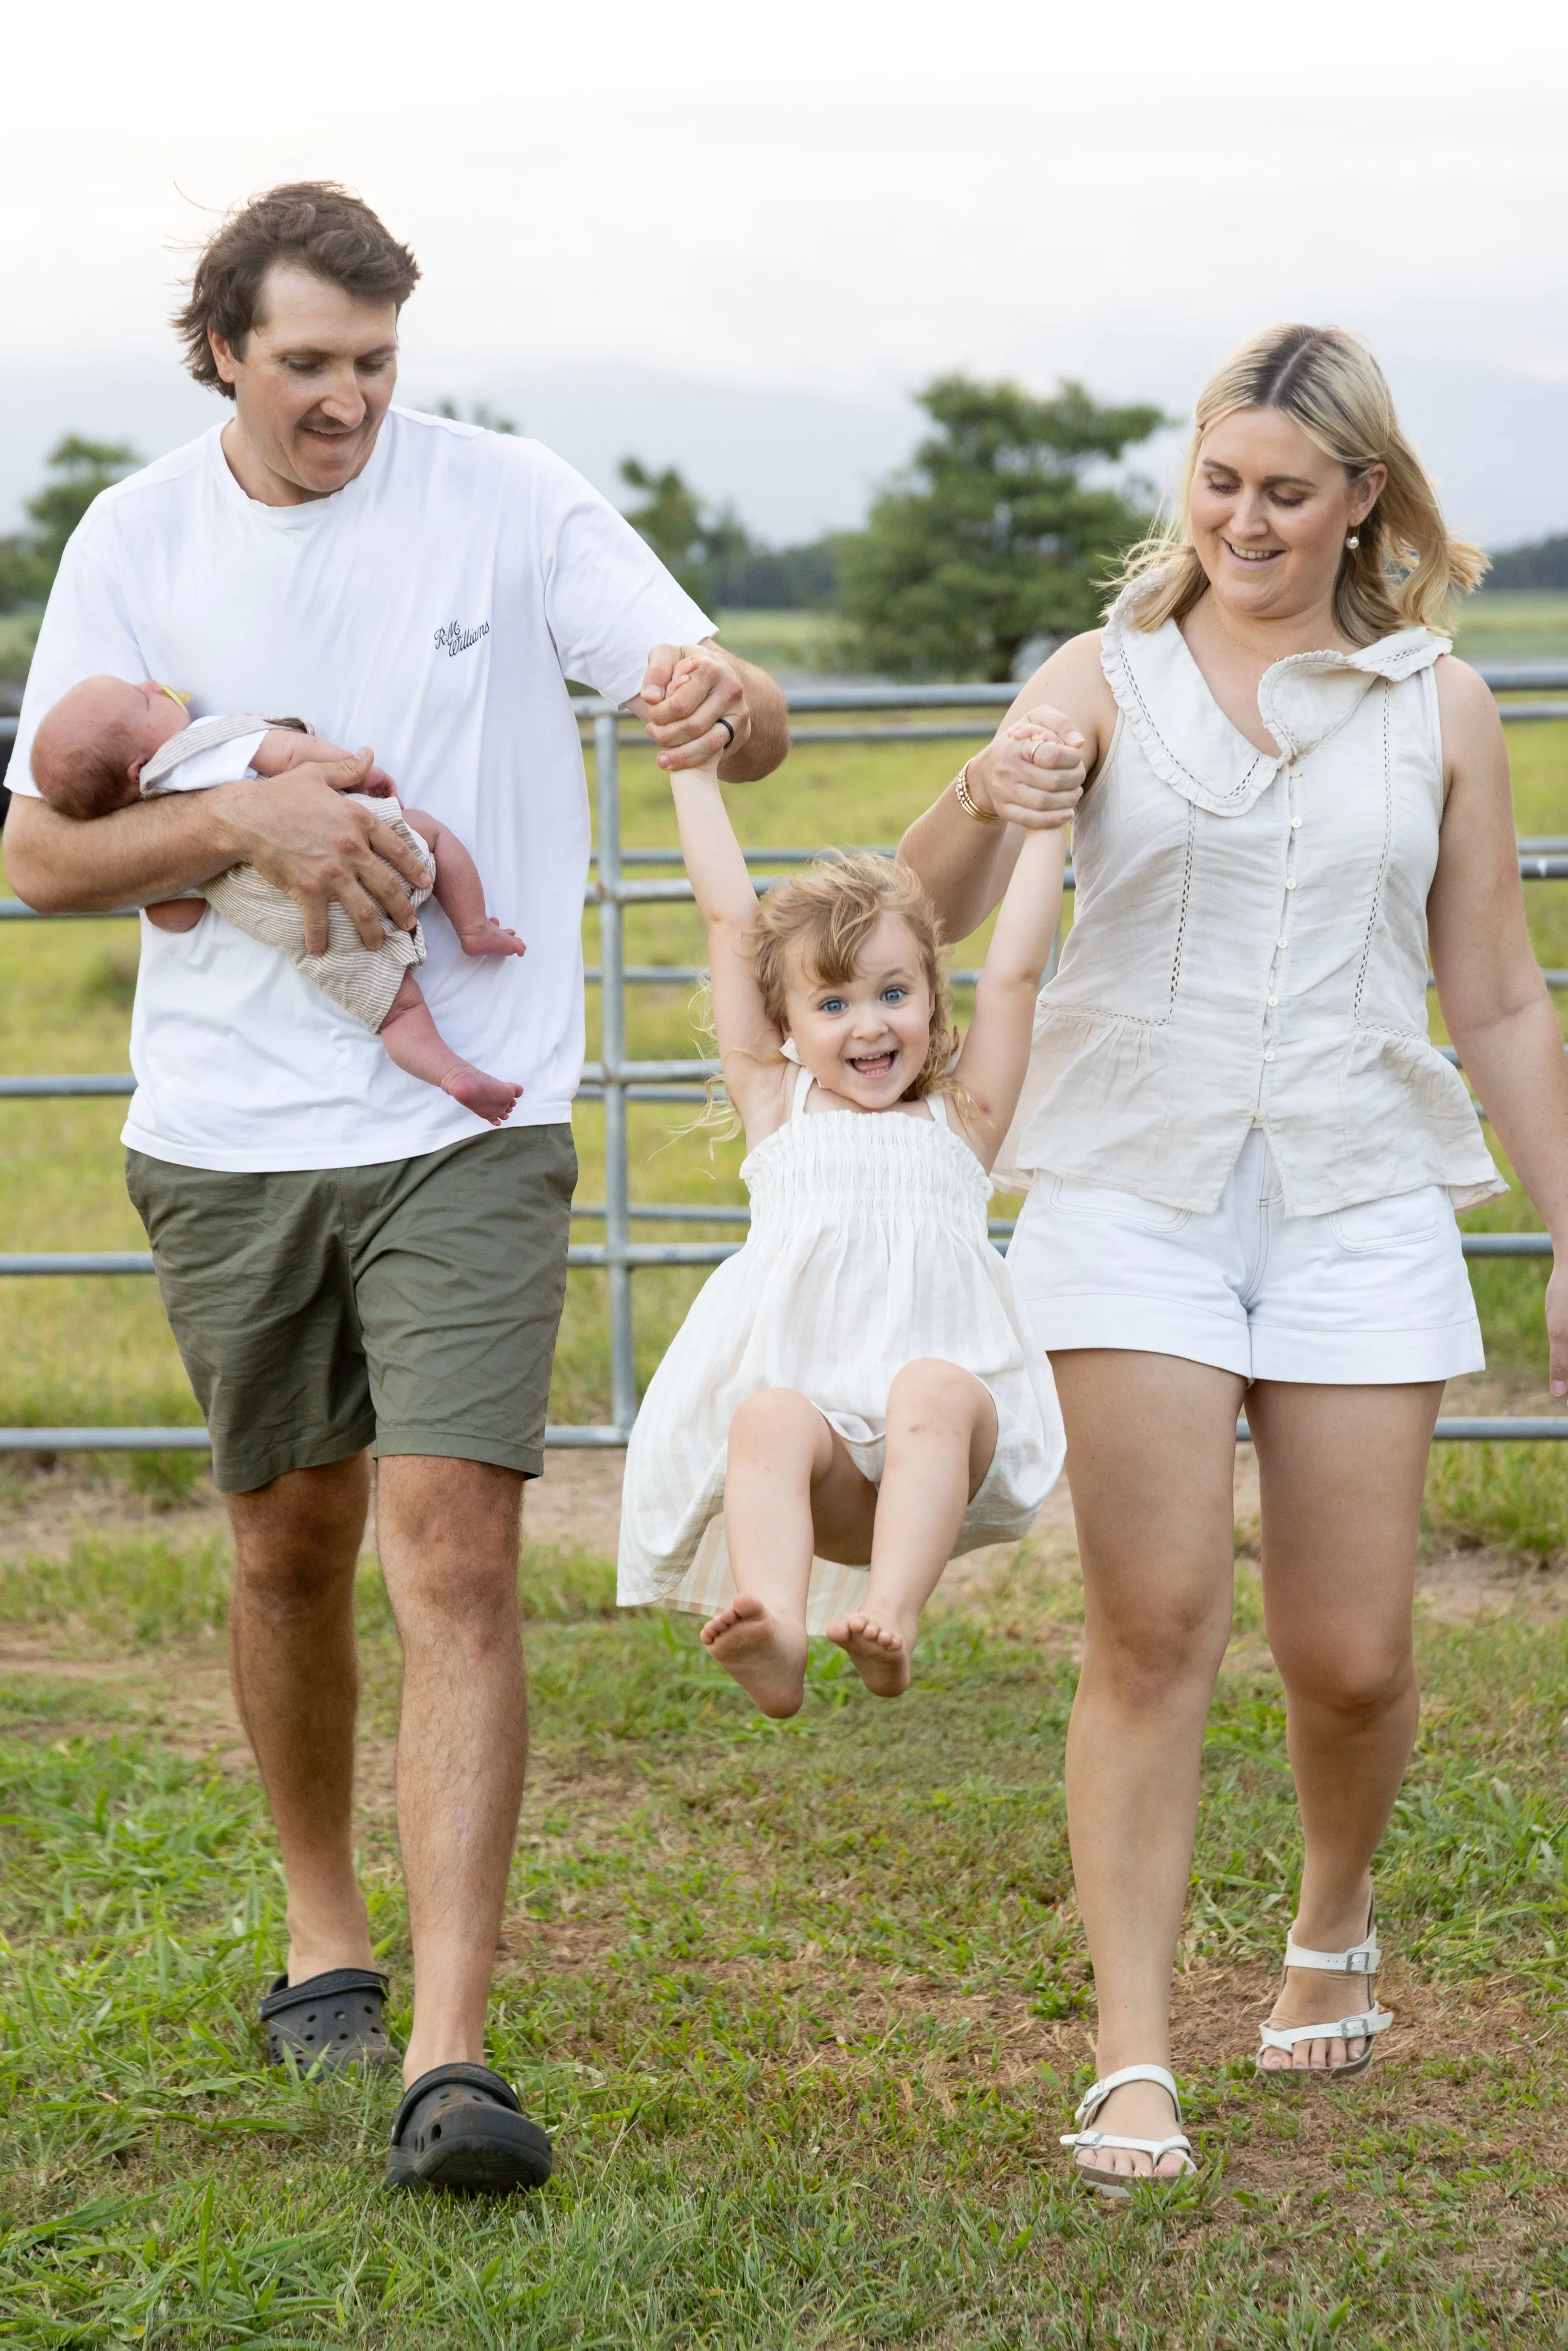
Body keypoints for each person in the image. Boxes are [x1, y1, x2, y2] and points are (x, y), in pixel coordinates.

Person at [4, 181, 788, 2195]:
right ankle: (319, 1937)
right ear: (219, 353)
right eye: (307, 366)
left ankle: (451, 2052)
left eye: (373, 363)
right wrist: (243, 807)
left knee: (447, 1552)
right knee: (288, 1546)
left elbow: (723, 700)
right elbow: (39, 855)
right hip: (227, 1132)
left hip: (468, 1121)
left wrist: (731, 704)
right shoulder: (133, 537)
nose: (347, 401)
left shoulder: (512, 497)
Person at [899, 322, 1568, 2199]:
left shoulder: (1435, 702)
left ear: (1361, 497)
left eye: (1286, 490)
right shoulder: (1096, 674)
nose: (1245, 520)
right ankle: (1128, 2052)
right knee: (1152, 1618)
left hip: (1355, 1192)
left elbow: (1494, 994)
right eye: (1217, 482)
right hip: (1128, 1186)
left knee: (1345, 1657)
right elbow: (912, 912)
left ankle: (1328, 1916)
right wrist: (991, 780)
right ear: (1182, 480)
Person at [617, 666, 1066, 1718]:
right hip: (820, 1469)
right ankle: (774, 1623)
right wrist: (693, 771)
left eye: (894, 992)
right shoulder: (779, 1105)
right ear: (784, 1027)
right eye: (833, 1001)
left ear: (929, 1002)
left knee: (935, 1388)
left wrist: (1045, 823)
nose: (869, 1024)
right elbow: (732, 919)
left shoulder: (966, 1120)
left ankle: (892, 1620)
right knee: (767, 1415)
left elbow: (1014, 975)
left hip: (935, 1467)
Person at [32, 677, 528, 1122]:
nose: (152, 684)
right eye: (143, 700)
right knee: (433, 836)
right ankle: (474, 928)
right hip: (368, 856)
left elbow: (176, 916)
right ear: (139, 765)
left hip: (319, 933)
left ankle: (451, 1074)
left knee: (396, 1011)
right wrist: (356, 773)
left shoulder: (159, 830)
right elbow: (289, 755)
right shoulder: (197, 748)